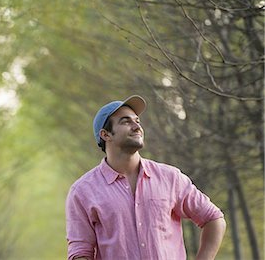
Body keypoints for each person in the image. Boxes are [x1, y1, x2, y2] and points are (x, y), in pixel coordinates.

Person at [66, 95, 226, 260]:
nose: (136, 126)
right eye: (126, 121)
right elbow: (80, 252)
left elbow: (213, 219)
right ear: (106, 135)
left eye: (137, 121)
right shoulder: (83, 191)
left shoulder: (170, 178)